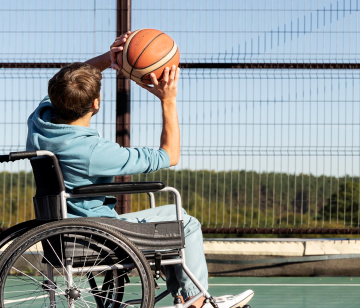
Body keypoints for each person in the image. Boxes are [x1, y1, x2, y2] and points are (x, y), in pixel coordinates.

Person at [25, 32, 253, 308]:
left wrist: (109, 60)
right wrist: (168, 99)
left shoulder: (40, 122)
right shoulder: (94, 152)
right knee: (185, 223)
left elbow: (65, 79)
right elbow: (170, 155)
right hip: (96, 232)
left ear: (54, 97)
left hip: (61, 226)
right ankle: (197, 301)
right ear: (96, 104)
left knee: (170, 219)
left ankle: (185, 295)